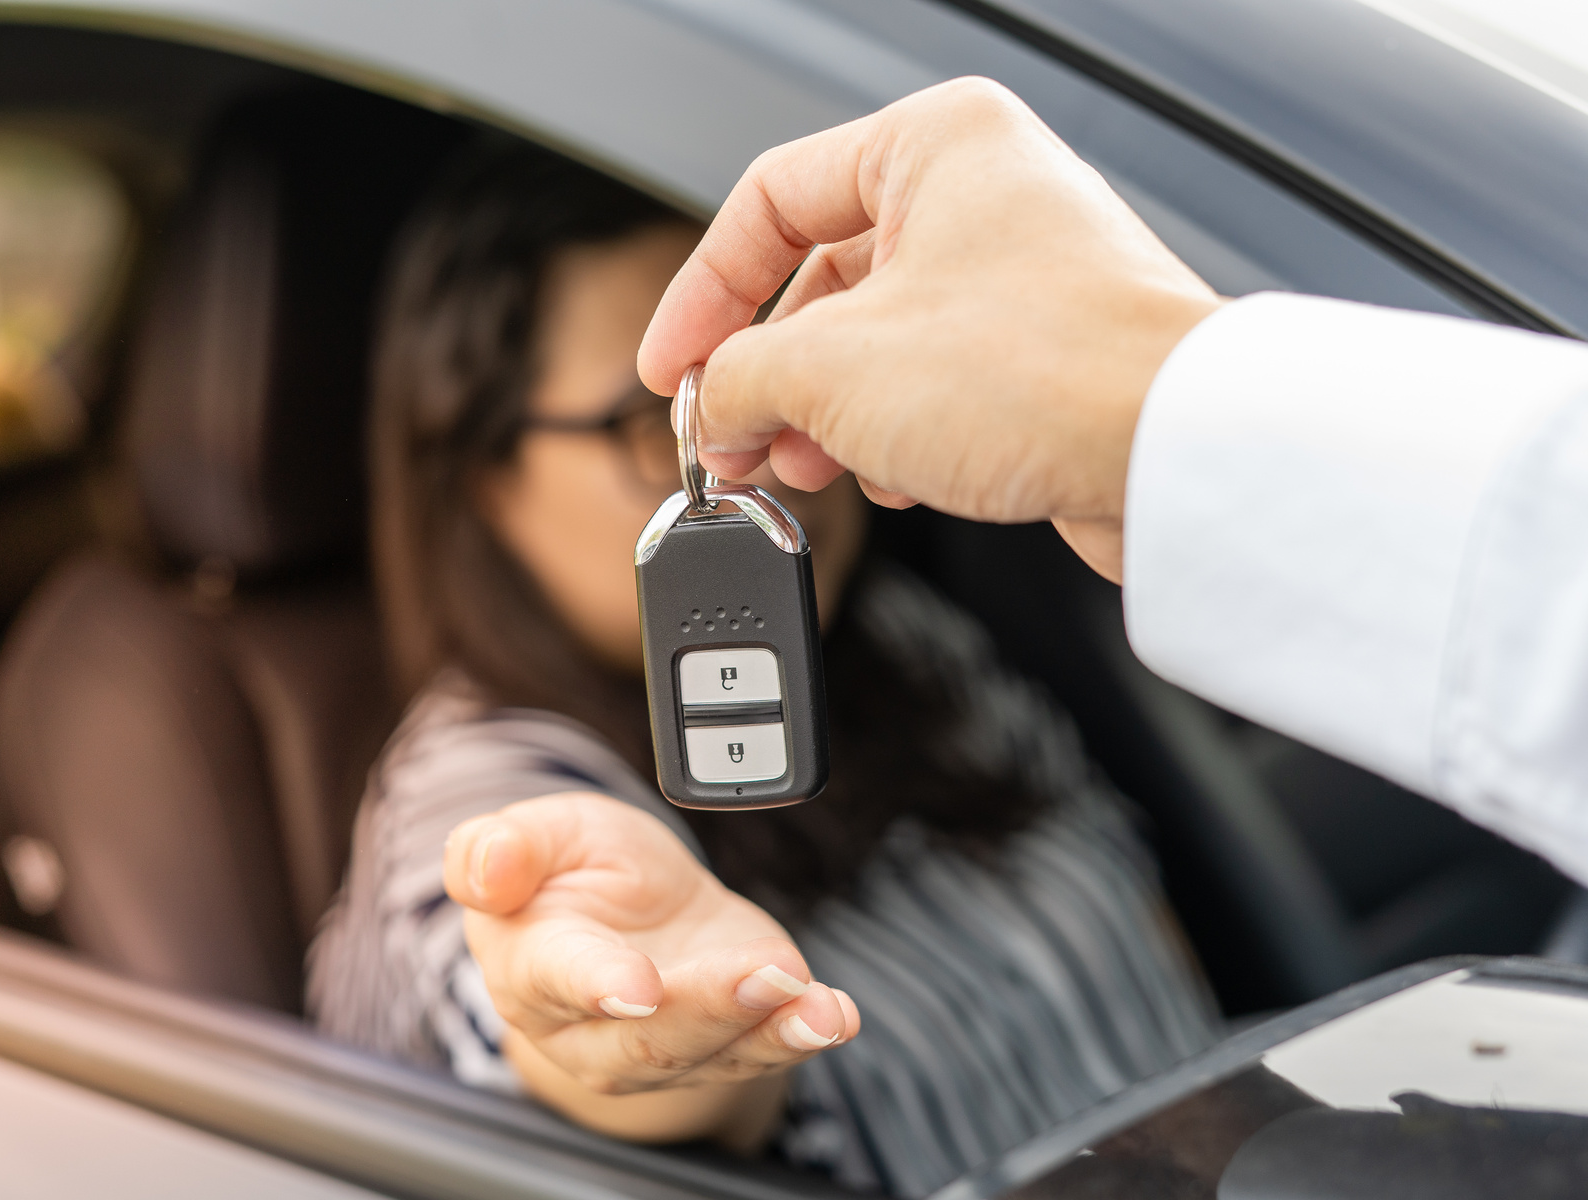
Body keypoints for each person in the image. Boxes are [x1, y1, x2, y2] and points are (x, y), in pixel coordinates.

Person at [309, 140, 1219, 1198]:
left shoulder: (895, 639)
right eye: (666, 422)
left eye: (774, 383)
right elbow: (581, 1038)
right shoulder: (481, 795)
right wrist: (644, 1018)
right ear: (482, 479)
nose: (751, 463)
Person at [635, 78, 1588, 890]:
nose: (798, 457)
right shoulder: (521, 779)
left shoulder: (929, 646)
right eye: (629, 424)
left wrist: (1143, 411)